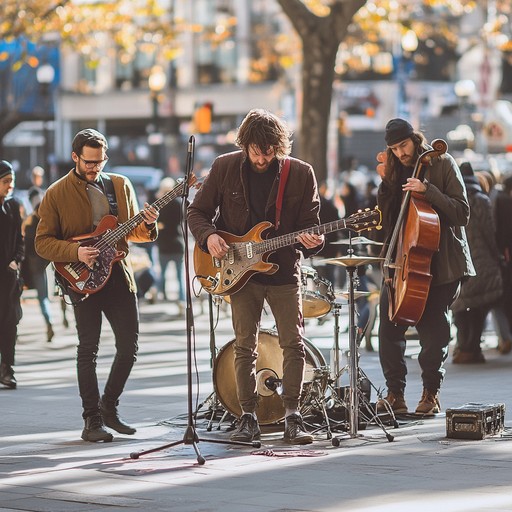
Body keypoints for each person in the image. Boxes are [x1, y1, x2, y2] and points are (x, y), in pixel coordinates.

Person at [188, 109, 324, 444]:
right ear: (245, 144)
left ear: (279, 147)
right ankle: (246, 417)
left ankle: (293, 416)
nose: (262, 158)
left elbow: (312, 224)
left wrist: (314, 240)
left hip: (284, 272)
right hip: (238, 271)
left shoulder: (301, 173)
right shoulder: (224, 167)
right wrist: (209, 237)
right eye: (256, 151)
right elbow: (197, 211)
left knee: (293, 344)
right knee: (244, 345)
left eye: (269, 152)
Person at [35, 128, 159, 442]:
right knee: (88, 349)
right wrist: (75, 251)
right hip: (81, 280)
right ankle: (91, 421)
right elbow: (42, 243)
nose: (95, 167)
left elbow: (134, 233)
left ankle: (109, 408)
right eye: (89, 161)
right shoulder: (56, 193)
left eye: (100, 161)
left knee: (129, 347)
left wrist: (148, 223)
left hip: (118, 275)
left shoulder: (120, 184)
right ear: (75, 157)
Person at [375, 118, 474, 416]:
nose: (400, 153)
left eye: (403, 146)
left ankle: (431, 392)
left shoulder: (442, 162)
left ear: (415, 140)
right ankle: (395, 393)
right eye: (394, 149)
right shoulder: (392, 168)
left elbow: (462, 213)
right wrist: (385, 188)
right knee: (389, 328)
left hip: (440, 265)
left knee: (434, 333)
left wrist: (427, 189)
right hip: (401, 262)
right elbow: (388, 222)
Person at [451, 162, 503, 364]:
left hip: (460, 260)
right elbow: (490, 232)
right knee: (480, 307)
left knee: (461, 307)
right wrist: (496, 255)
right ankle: (472, 348)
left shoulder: (453, 199)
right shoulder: (482, 200)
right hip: (482, 261)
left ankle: (465, 348)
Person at [0, 160, 24, 389]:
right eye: (5, 181)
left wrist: (16, 261)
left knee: (10, 324)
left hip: (9, 279)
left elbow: (20, 239)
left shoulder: (14, 205)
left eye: (12, 182)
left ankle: (7, 368)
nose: (10, 186)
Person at [21, 198, 55, 342]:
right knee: (48, 296)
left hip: (35, 265)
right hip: (48, 263)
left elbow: (26, 250)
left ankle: (49, 321)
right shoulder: (49, 224)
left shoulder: (30, 225)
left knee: (42, 298)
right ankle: (50, 321)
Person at [155, 177, 186, 311]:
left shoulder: (161, 205)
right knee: (180, 275)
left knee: (162, 273)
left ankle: (159, 294)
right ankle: (182, 300)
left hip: (164, 244)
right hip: (178, 243)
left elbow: (159, 224)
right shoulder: (178, 203)